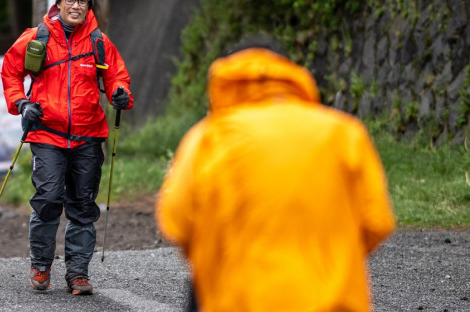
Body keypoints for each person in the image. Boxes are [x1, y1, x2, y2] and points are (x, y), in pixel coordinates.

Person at [155, 36, 396, 312]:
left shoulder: (209, 137)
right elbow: (378, 222)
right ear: (288, 74)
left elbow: (176, 221)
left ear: (226, 78)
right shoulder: (343, 133)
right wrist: (334, 258)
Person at [1, 0, 134, 295]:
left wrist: (120, 94)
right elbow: (10, 72)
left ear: (89, 7)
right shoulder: (38, 37)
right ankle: (41, 265)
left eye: (82, 1)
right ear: (59, 3)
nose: (76, 6)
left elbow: (118, 77)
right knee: (47, 199)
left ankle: (78, 274)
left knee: (83, 204)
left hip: (89, 136)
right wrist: (21, 104)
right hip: (47, 133)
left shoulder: (99, 42)